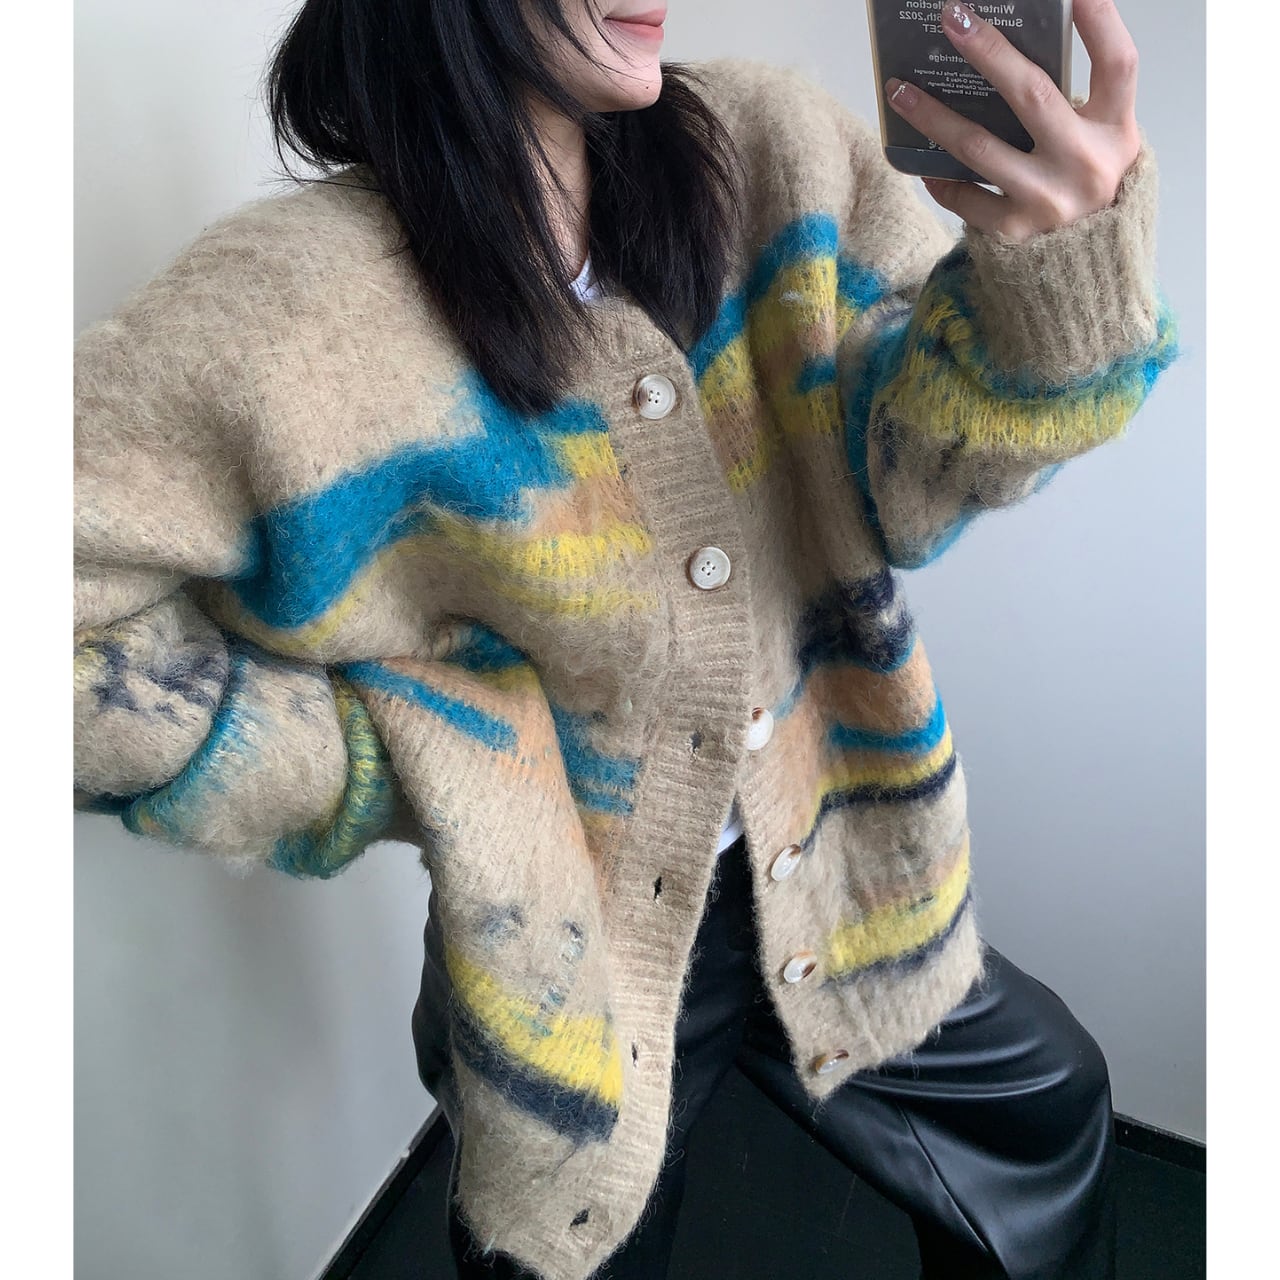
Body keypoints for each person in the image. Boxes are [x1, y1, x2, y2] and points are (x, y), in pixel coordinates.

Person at [73, 2, 1176, 1278]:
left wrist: (1043, 295)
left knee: (1045, 1108)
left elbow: (903, 491)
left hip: (840, 847)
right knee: (562, 1244)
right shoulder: (283, 314)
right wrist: (385, 761)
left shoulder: (774, 151)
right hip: (569, 938)